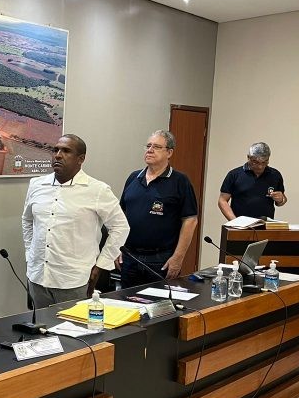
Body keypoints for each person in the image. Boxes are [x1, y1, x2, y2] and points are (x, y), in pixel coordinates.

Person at [22, 134, 130, 308]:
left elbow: (121, 227)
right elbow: (27, 220)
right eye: (55, 150)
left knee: (72, 325)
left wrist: (101, 265)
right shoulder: (36, 185)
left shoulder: (97, 190)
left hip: (73, 280)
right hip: (38, 277)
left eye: (66, 151)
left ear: (81, 159)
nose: (58, 155)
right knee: (41, 325)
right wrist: (30, 253)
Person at [119, 130, 198, 288]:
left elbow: (190, 220)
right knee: (126, 301)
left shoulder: (180, 181)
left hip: (161, 259)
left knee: (160, 302)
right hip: (130, 257)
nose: (150, 150)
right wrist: (116, 248)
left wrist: (178, 257)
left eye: (156, 147)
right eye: (148, 146)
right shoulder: (133, 178)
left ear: (169, 152)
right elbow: (121, 216)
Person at [218, 142, 286, 220]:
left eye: (264, 162)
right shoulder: (234, 175)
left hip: (266, 224)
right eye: (255, 162)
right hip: (240, 224)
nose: (260, 166)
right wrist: (234, 221)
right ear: (248, 157)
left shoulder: (275, 175)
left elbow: (282, 200)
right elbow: (222, 200)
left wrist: (281, 199)